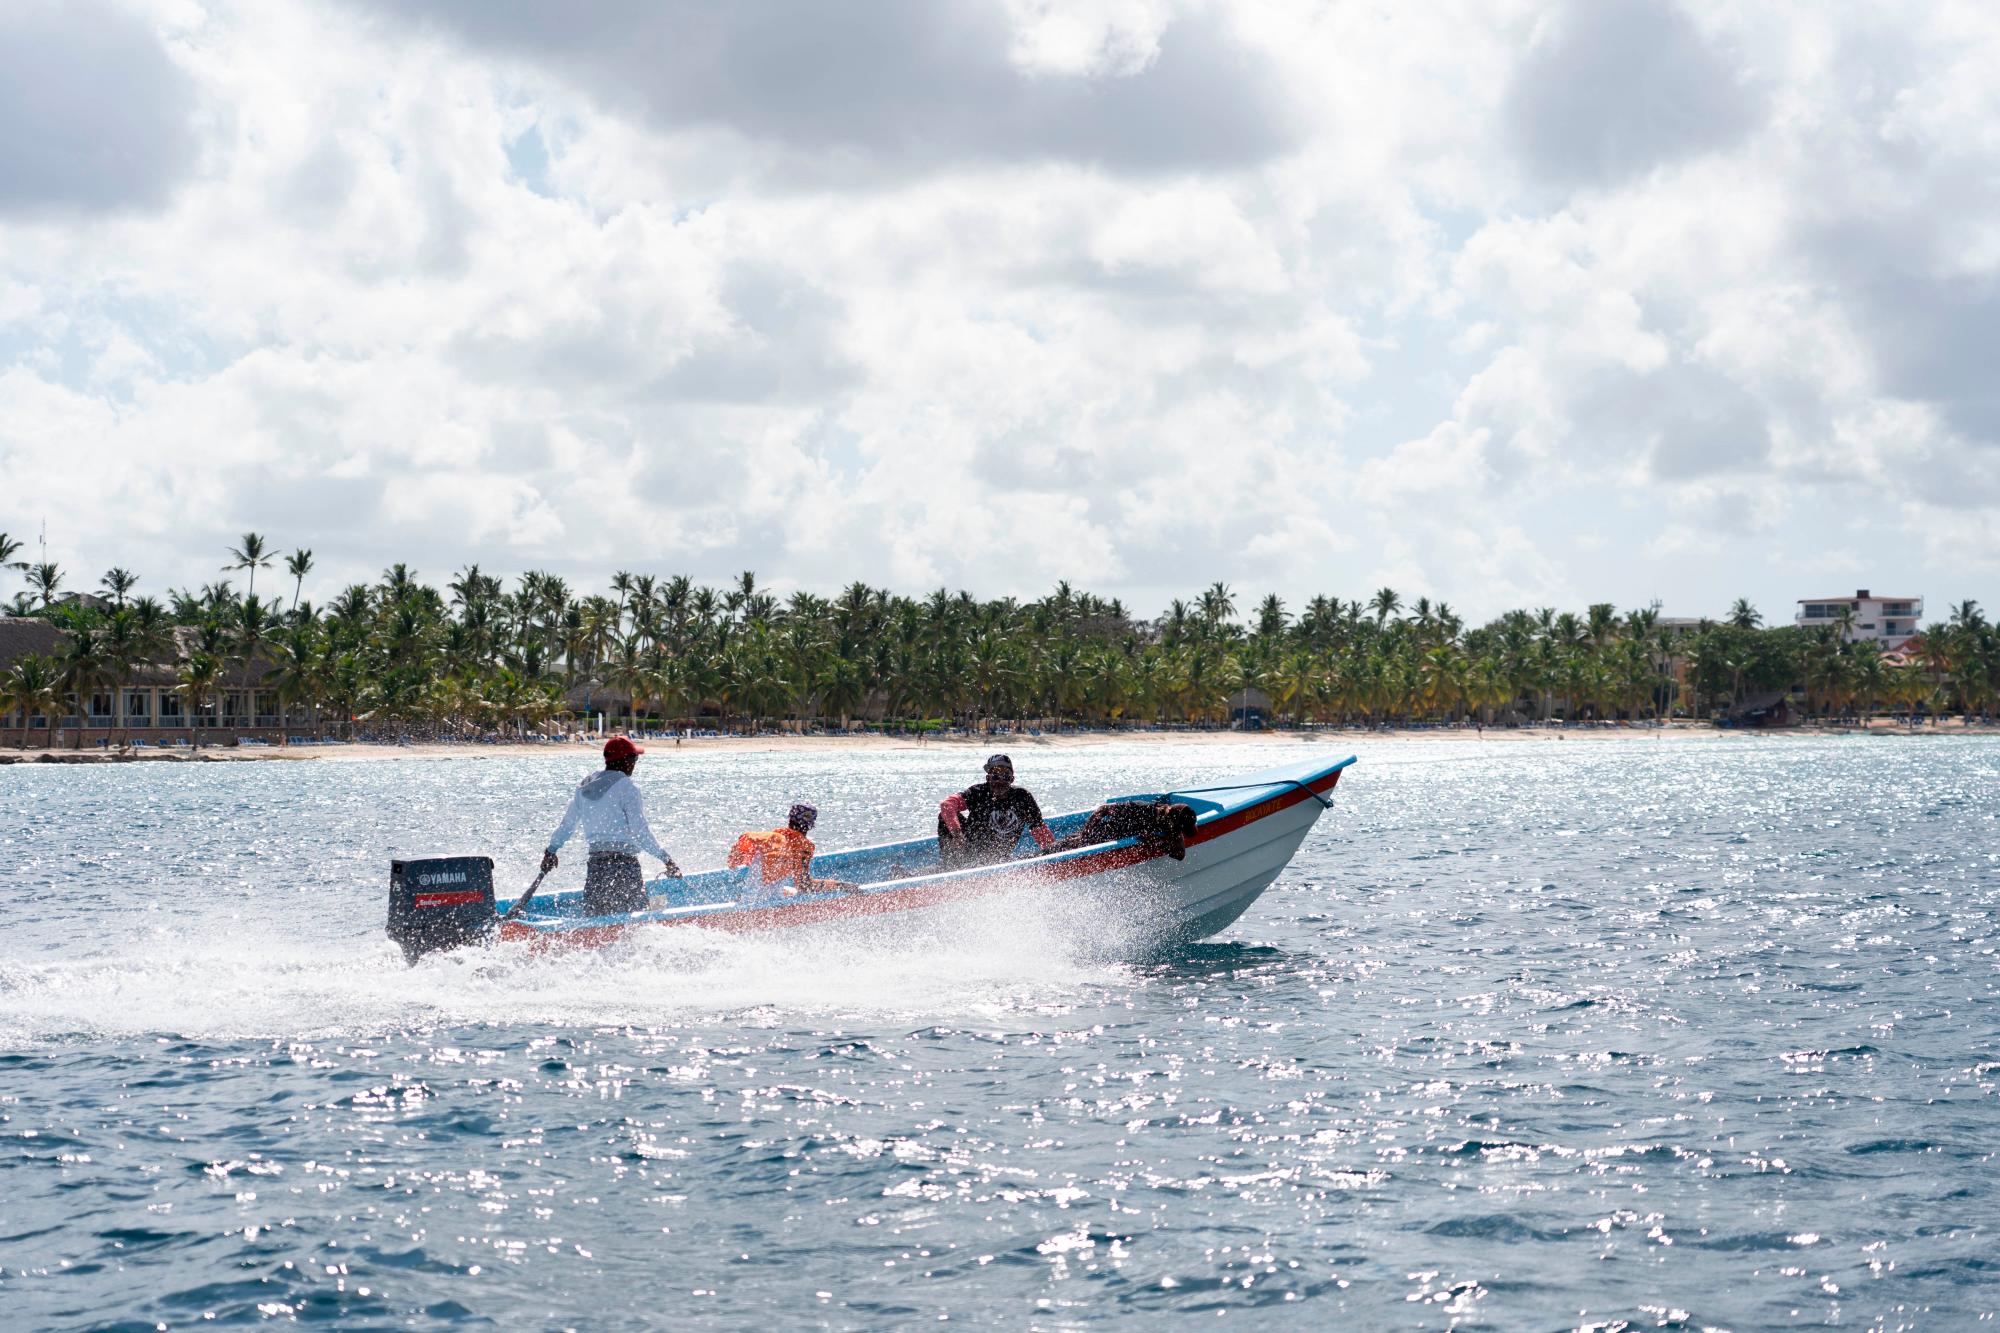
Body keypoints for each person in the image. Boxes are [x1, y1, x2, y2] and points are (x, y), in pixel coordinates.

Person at [541, 736, 681, 915]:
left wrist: (551, 850)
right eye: (634, 758)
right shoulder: (628, 788)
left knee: (597, 916)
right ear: (625, 761)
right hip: (624, 866)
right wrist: (666, 859)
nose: (635, 763)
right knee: (635, 916)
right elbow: (641, 833)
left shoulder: (585, 786)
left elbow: (567, 825)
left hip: (596, 866)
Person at [937, 754, 1054, 868]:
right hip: (968, 852)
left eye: (1006, 776)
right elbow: (947, 805)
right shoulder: (978, 792)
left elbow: (1039, 828)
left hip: (999, 858)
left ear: (1012, 779)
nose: (1000, 781)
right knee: (944, 817)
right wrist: (957, 835)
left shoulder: (1023, 797)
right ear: (988, 778)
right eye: (995, 776)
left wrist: (1052, 854)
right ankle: (951, 867)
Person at [727, 803, 853, 898]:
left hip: (747, 896)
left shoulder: (772, 838)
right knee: (794, 890)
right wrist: (840, 885)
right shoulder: (802, 846)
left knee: (787, 890)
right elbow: (804, 886)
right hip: (766, 902)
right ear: (811, 825)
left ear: (790, 819)